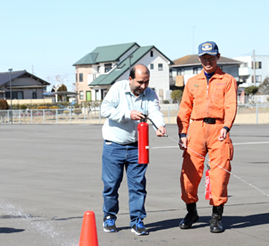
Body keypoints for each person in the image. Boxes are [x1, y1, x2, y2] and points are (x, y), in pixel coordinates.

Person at [177, 41, 237, 233]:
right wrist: (183, 133)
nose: (207, 61)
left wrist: (226, 127)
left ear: (218, 57)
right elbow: (184, 108)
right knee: (189, 174)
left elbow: (230, 106)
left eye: (211, 57)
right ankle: (191, 212)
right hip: (195, 129)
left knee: (219, 174)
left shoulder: (227, 80)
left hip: (218, 129)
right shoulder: (192, 81)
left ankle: (216, 216)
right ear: (200, 59)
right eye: (204, 58)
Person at [100, 64, 167, 236]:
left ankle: (137, 220)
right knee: (111, 185)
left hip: (138, 147)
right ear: (130, 79)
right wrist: (127, 114)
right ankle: (109, 217)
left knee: (138, 185)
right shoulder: (118, 88)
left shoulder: (150, 94)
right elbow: (104, 109)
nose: (143, 86)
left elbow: (154, 112)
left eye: (146, 82)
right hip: (113, 145)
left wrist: (160, 126)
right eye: (140, 82)